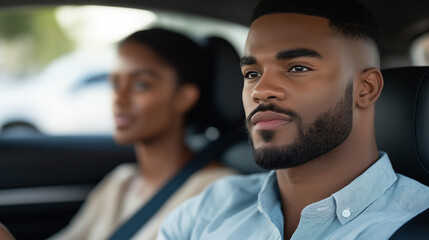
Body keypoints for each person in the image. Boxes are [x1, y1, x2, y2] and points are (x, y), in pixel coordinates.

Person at [157, 0, 429, 239]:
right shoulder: (208, 208)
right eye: (252, 73)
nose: (260, 90)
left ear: (365, 88)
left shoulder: (415, 224)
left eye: (297, 68)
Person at [50, 28, 236, 240]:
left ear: (184, 97)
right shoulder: (120, 182)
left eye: (141, 85)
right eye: (115, 83)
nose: (119, 98)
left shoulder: (219, 192)